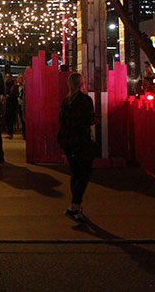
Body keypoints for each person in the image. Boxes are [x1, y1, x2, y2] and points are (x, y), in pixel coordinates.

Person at [57, 73, 97, 223]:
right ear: (82, 84)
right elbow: (89, 120)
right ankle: (75, 205)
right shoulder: (85, 100)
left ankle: (75, 206)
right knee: (84, 174)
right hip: (81, 140)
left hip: (68, 141)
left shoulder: (66, 101)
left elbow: (62, 121)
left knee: (75, 173)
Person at [5, 73, 20, 139]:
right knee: (7, 118)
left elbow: (15, 94)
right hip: (7, 103)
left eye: (8, 77)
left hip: (12, 103)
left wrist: (9, 96)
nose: (7, 78)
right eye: (6, 77)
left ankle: (10, 132)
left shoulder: (14, 85)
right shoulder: (5, 84)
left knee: (10, 118)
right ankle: (9, 132)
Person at [15, 72, 26, 139]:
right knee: (21, 119)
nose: (21, 79)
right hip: (18, 105)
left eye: (22, 78)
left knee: (24, 119)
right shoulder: (16, 87)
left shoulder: (26, 87)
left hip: (24, 105)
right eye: (20, 78)